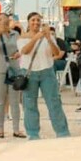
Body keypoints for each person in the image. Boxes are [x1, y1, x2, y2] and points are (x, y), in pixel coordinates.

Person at [17, 12, 70, 140]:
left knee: (54, 102)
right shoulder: (22, 38)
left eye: (38, 20)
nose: (36, 22)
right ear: (28, 22)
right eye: (33, 20)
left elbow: (56, 53)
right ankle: (33, 134)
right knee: (30, 104)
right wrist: (35, 38)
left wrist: (48, 38)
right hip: (29, 74)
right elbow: (25, 51)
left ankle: (62, 132)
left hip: (47, 72)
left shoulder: (48, 36)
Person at [0, 13, 25, 138]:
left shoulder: (14, 34)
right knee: (0, 101)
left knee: (15, 101)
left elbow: (21, 48)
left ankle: (16, 129)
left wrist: (18, 53)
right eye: (0, 20)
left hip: (13, 69)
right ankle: (0, 129)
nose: (3, 22)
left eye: (5, 20)